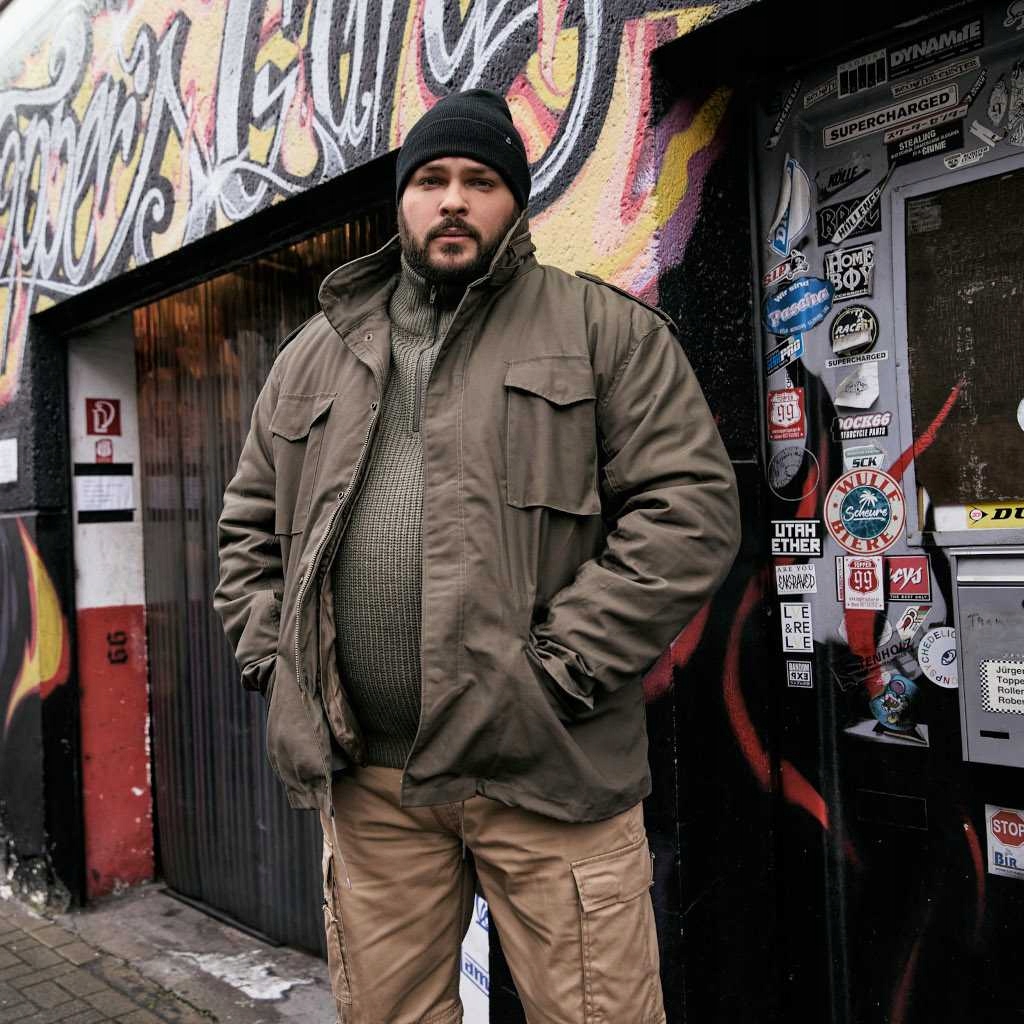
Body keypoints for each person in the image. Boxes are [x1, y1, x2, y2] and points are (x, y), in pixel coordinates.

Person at [215, 88, 740, 1024]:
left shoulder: (603, 332)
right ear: (401, 202)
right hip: (372, 786)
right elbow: (247, 531)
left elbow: (688, 514)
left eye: (480, 180)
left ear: (516, 203)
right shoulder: (311, 357)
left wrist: (557, 672)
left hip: (550, 774)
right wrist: (279, 663)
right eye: (430, 179)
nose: (453, 199)